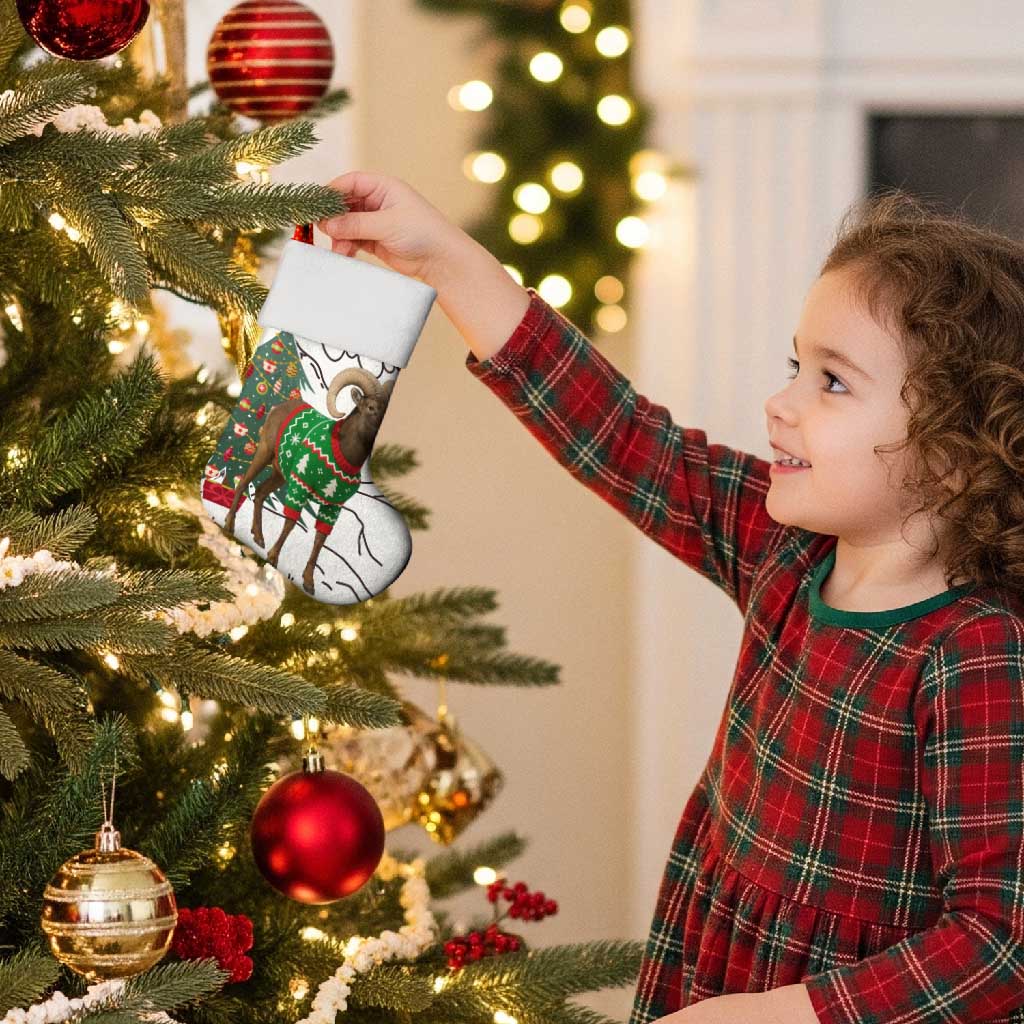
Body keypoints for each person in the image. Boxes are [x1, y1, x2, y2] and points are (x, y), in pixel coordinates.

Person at [317, 174, 1024, 1024]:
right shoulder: (786, 552)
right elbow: (621, 436)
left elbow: (998, 941)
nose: (782, 403)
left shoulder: (978, 652)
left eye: (832, 383)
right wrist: (450, 261)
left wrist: (779, 1016)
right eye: (796, 367)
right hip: (714, 965)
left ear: (956, 454)